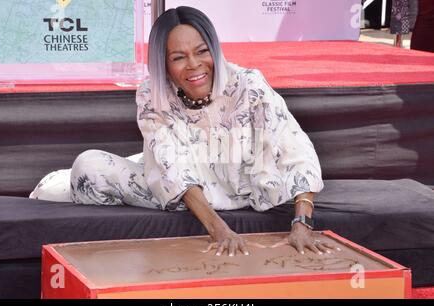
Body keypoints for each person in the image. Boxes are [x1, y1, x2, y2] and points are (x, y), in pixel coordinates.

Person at [31, 6, 336, 257]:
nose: (194, 65)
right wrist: (218, 230)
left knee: (276, 161)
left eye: (202, 51)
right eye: (178, 58)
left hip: (240, 179)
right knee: (88, 167)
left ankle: (143, 162)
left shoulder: (248, 84)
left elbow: (295, 148)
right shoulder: (152, 93)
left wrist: (302, 224)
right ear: (163, 63)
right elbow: (171, 166)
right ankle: (64, 183)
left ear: (214, 49)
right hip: (181, 182)